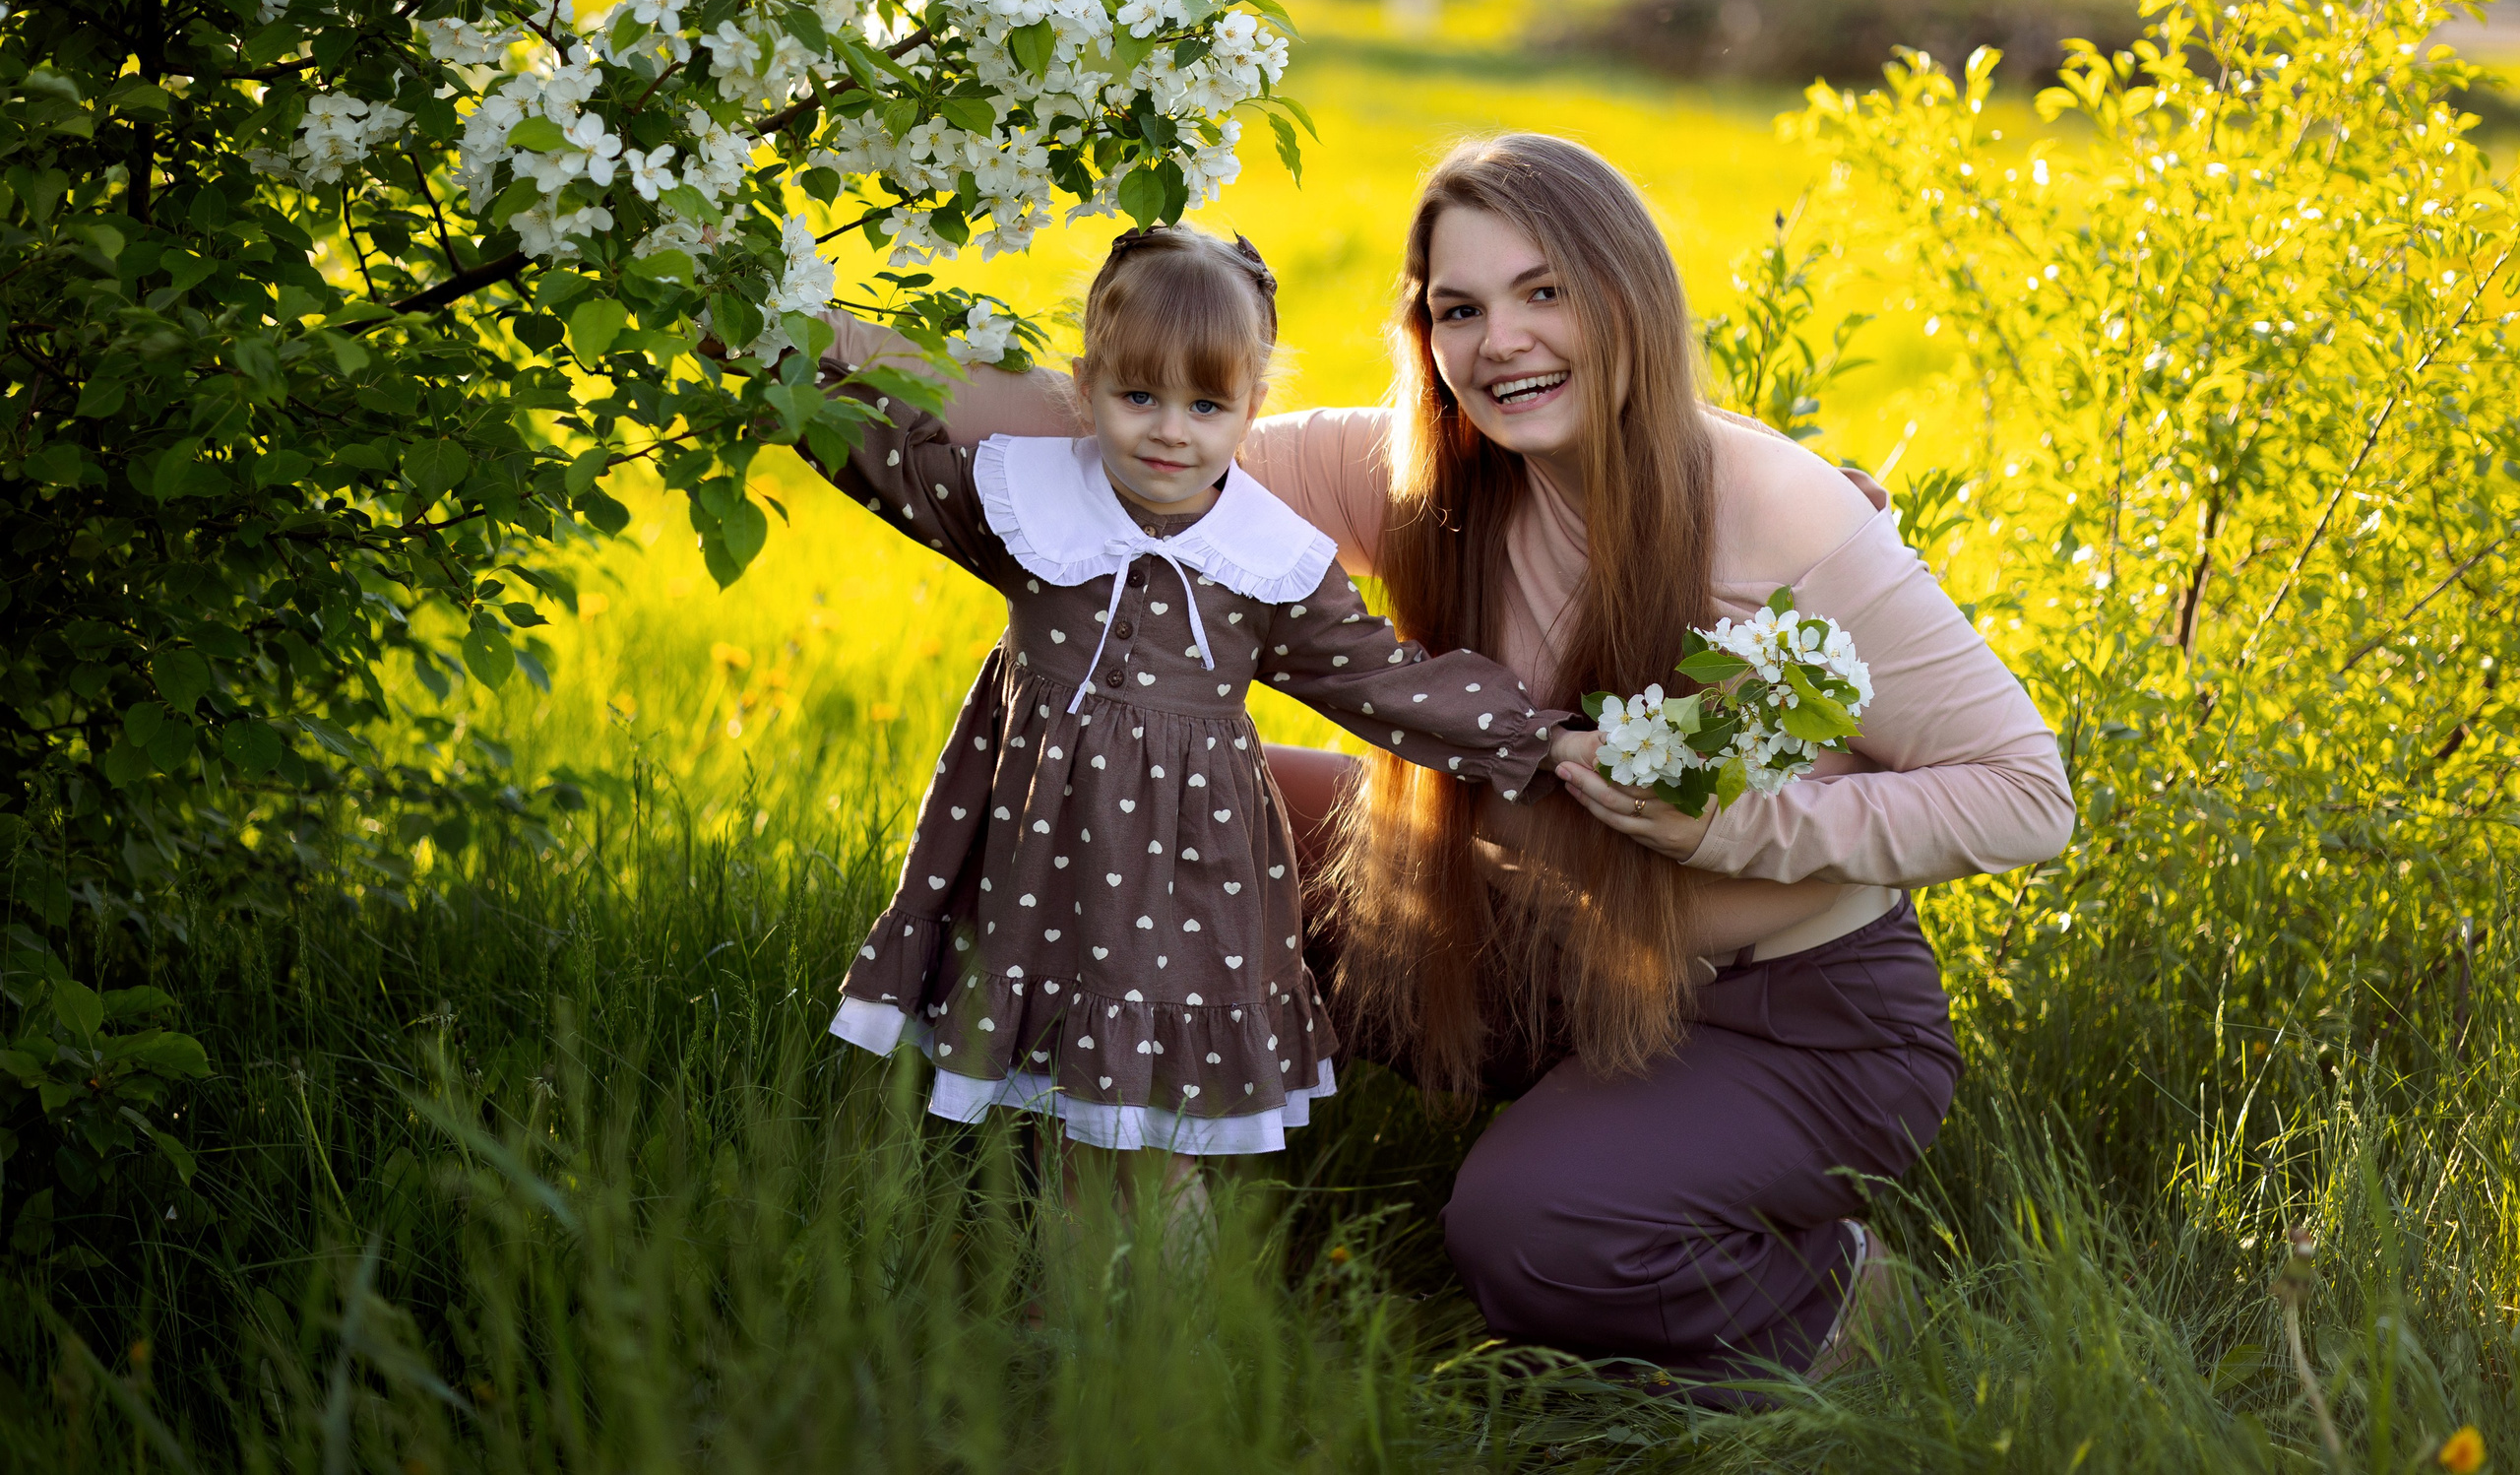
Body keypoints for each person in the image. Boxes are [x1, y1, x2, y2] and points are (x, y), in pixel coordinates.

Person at [820, 135, 2073, 1389]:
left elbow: (2025, 793)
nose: (1500, 342)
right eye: (1458, 308)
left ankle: (1835, 1293)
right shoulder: (1420, 470)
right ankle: (1129, 1230)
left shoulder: (1780, 507)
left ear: (1624, 293)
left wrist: (1736, 829)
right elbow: (1119, 430)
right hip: (1526, 951)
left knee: (1529, 1233)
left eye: (1544, 293)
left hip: (1782, 1015)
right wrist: (784, 331)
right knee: (1177, 810)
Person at [808, 224, 1584, 1209]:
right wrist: (765, 345)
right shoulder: (1027, 504)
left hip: (1179, 866)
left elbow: (1375, 679)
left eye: (1207, 405)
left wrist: (1542, 739)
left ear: (1253, 405)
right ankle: (1076, 1278)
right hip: (1031, 851)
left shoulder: (1264, 558)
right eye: (1139, 397)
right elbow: (883, 458)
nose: (1171, 430)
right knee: (1055, 1089)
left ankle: (1154, 1289)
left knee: (1148, 1096)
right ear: (1086, 386)